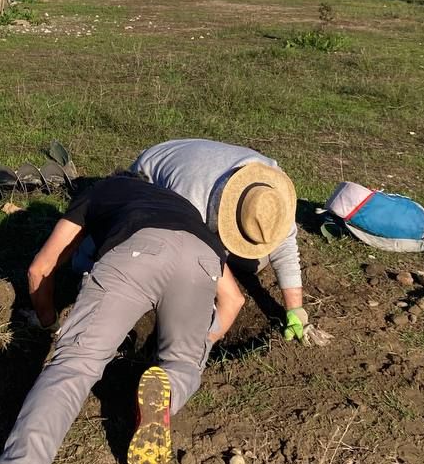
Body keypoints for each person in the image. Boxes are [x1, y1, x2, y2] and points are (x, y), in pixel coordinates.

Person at [0, 169, 293, 464]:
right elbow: (234, 303)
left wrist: (47, 323)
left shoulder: (103, 191)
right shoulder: (185, 211)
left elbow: (41, 268)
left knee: (74, 367)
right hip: (200, 260)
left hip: (136, 253)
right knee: (183, 364)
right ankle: (168, 388)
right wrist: (197, 344)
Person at [129, 138, 306, 338]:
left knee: (255, 263)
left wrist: (295, 308)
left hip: (203, 168)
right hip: (148, 176)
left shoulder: (273, 193)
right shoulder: (191, 201)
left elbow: (286, 246)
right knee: (175, 267)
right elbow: (195, 254)